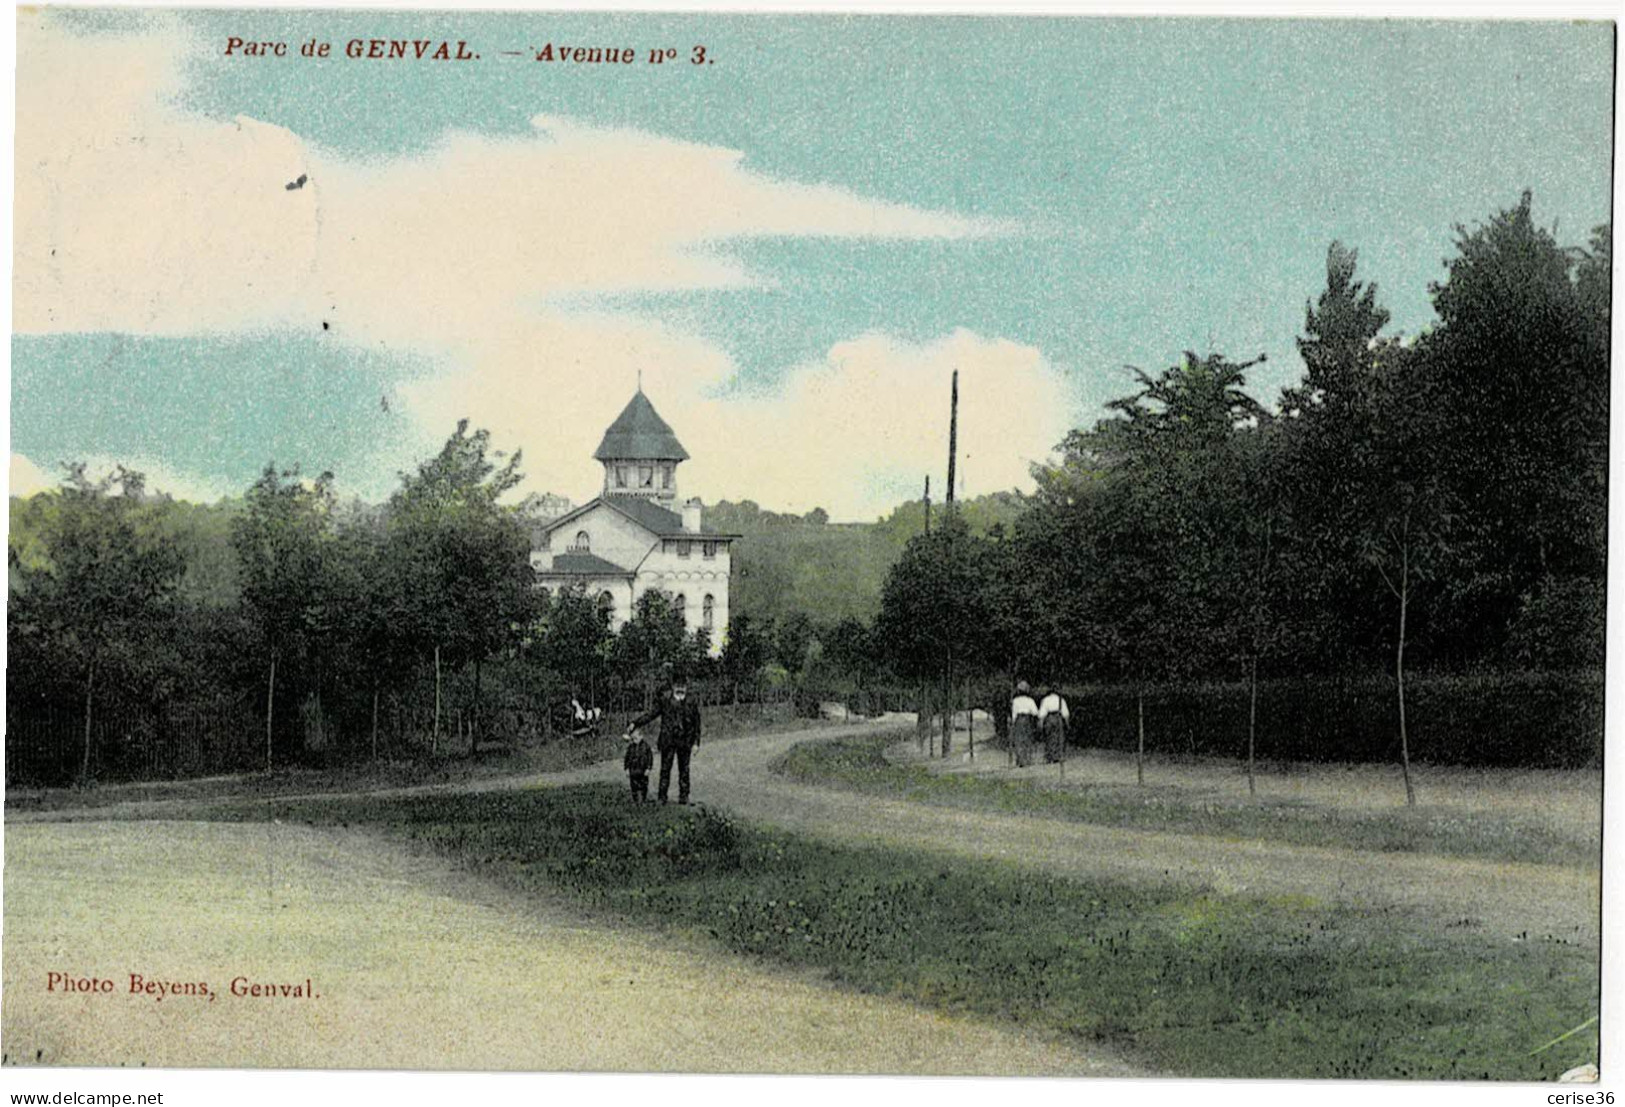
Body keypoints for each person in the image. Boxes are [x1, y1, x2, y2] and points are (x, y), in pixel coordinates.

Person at [626, 679, 702, 804]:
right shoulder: (665, 701)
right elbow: (651, 714)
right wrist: (635, 723)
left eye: (683, 686)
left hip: (684, 741)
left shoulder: (691, 702)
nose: (680, 689)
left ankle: (684, 797)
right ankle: (662, 797)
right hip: (668, 741)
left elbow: (697, 724)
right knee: (665, 769)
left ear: (686, 687)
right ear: (673, 687)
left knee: (684, 770)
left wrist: (696, 743)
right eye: (678, 685)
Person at [1009, 681, 1039, 768]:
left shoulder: (1015, 701)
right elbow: (1035, 712)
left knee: (1019, 740)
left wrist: (1013, 722)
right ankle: (1027, 759)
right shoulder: (1030, 700)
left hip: (1019, 720)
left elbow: (1014, 713)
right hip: (1027, 720)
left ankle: (1020, 760)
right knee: (1027, 739)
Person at [1038, 686, 1071, 764]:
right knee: (1059, 737)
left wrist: (1041, 723)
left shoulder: (1045, 700)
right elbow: (1065, 713)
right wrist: (1067, 724)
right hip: (1058, 717)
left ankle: (1049, 756)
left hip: (1049, 718)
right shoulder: (1061, 700)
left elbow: (1042, 713)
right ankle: (1058, 756)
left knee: (1049, 737)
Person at [622, 732, 654, 803]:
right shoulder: (631, 747)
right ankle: (635, 799)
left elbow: (650, 758)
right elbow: (627, 758)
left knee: (643, 785)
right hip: (633, 770)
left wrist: (648, 768)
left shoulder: (646, 747)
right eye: (633, 739)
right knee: (633, 785)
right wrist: (626, 768)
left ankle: (643, 799)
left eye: (636, 738)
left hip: (643, 770)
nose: (634, 740)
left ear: (641, 736)